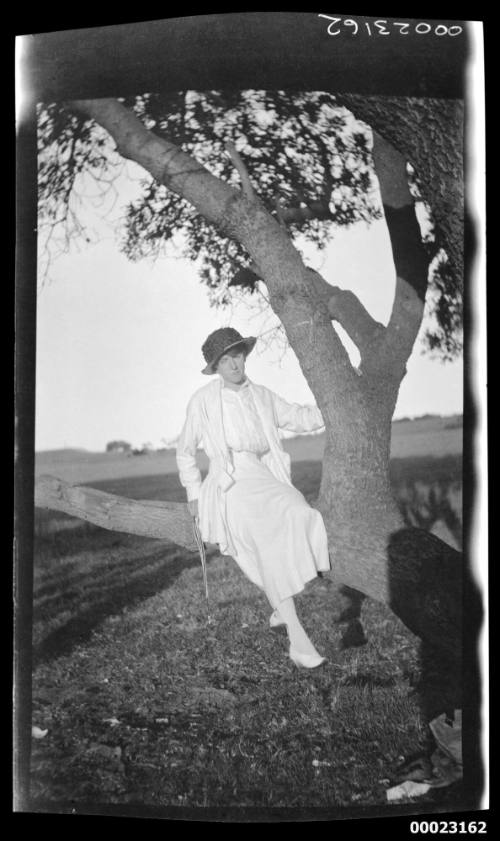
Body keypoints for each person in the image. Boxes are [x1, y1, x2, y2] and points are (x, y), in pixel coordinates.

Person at [176, 327, 331, 668]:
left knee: (300, 512)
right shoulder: (203, 401)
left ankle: (280, 606)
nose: (234, 364)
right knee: (263, 537)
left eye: (238, 355)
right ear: (216, 367)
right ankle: (298, 639)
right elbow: (185, 452)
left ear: (245, 356)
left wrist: (333, 407)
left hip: (264, 473)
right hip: (230, 480)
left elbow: (299, 417)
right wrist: (193, 494)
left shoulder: (261, 394)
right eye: (225, 360)